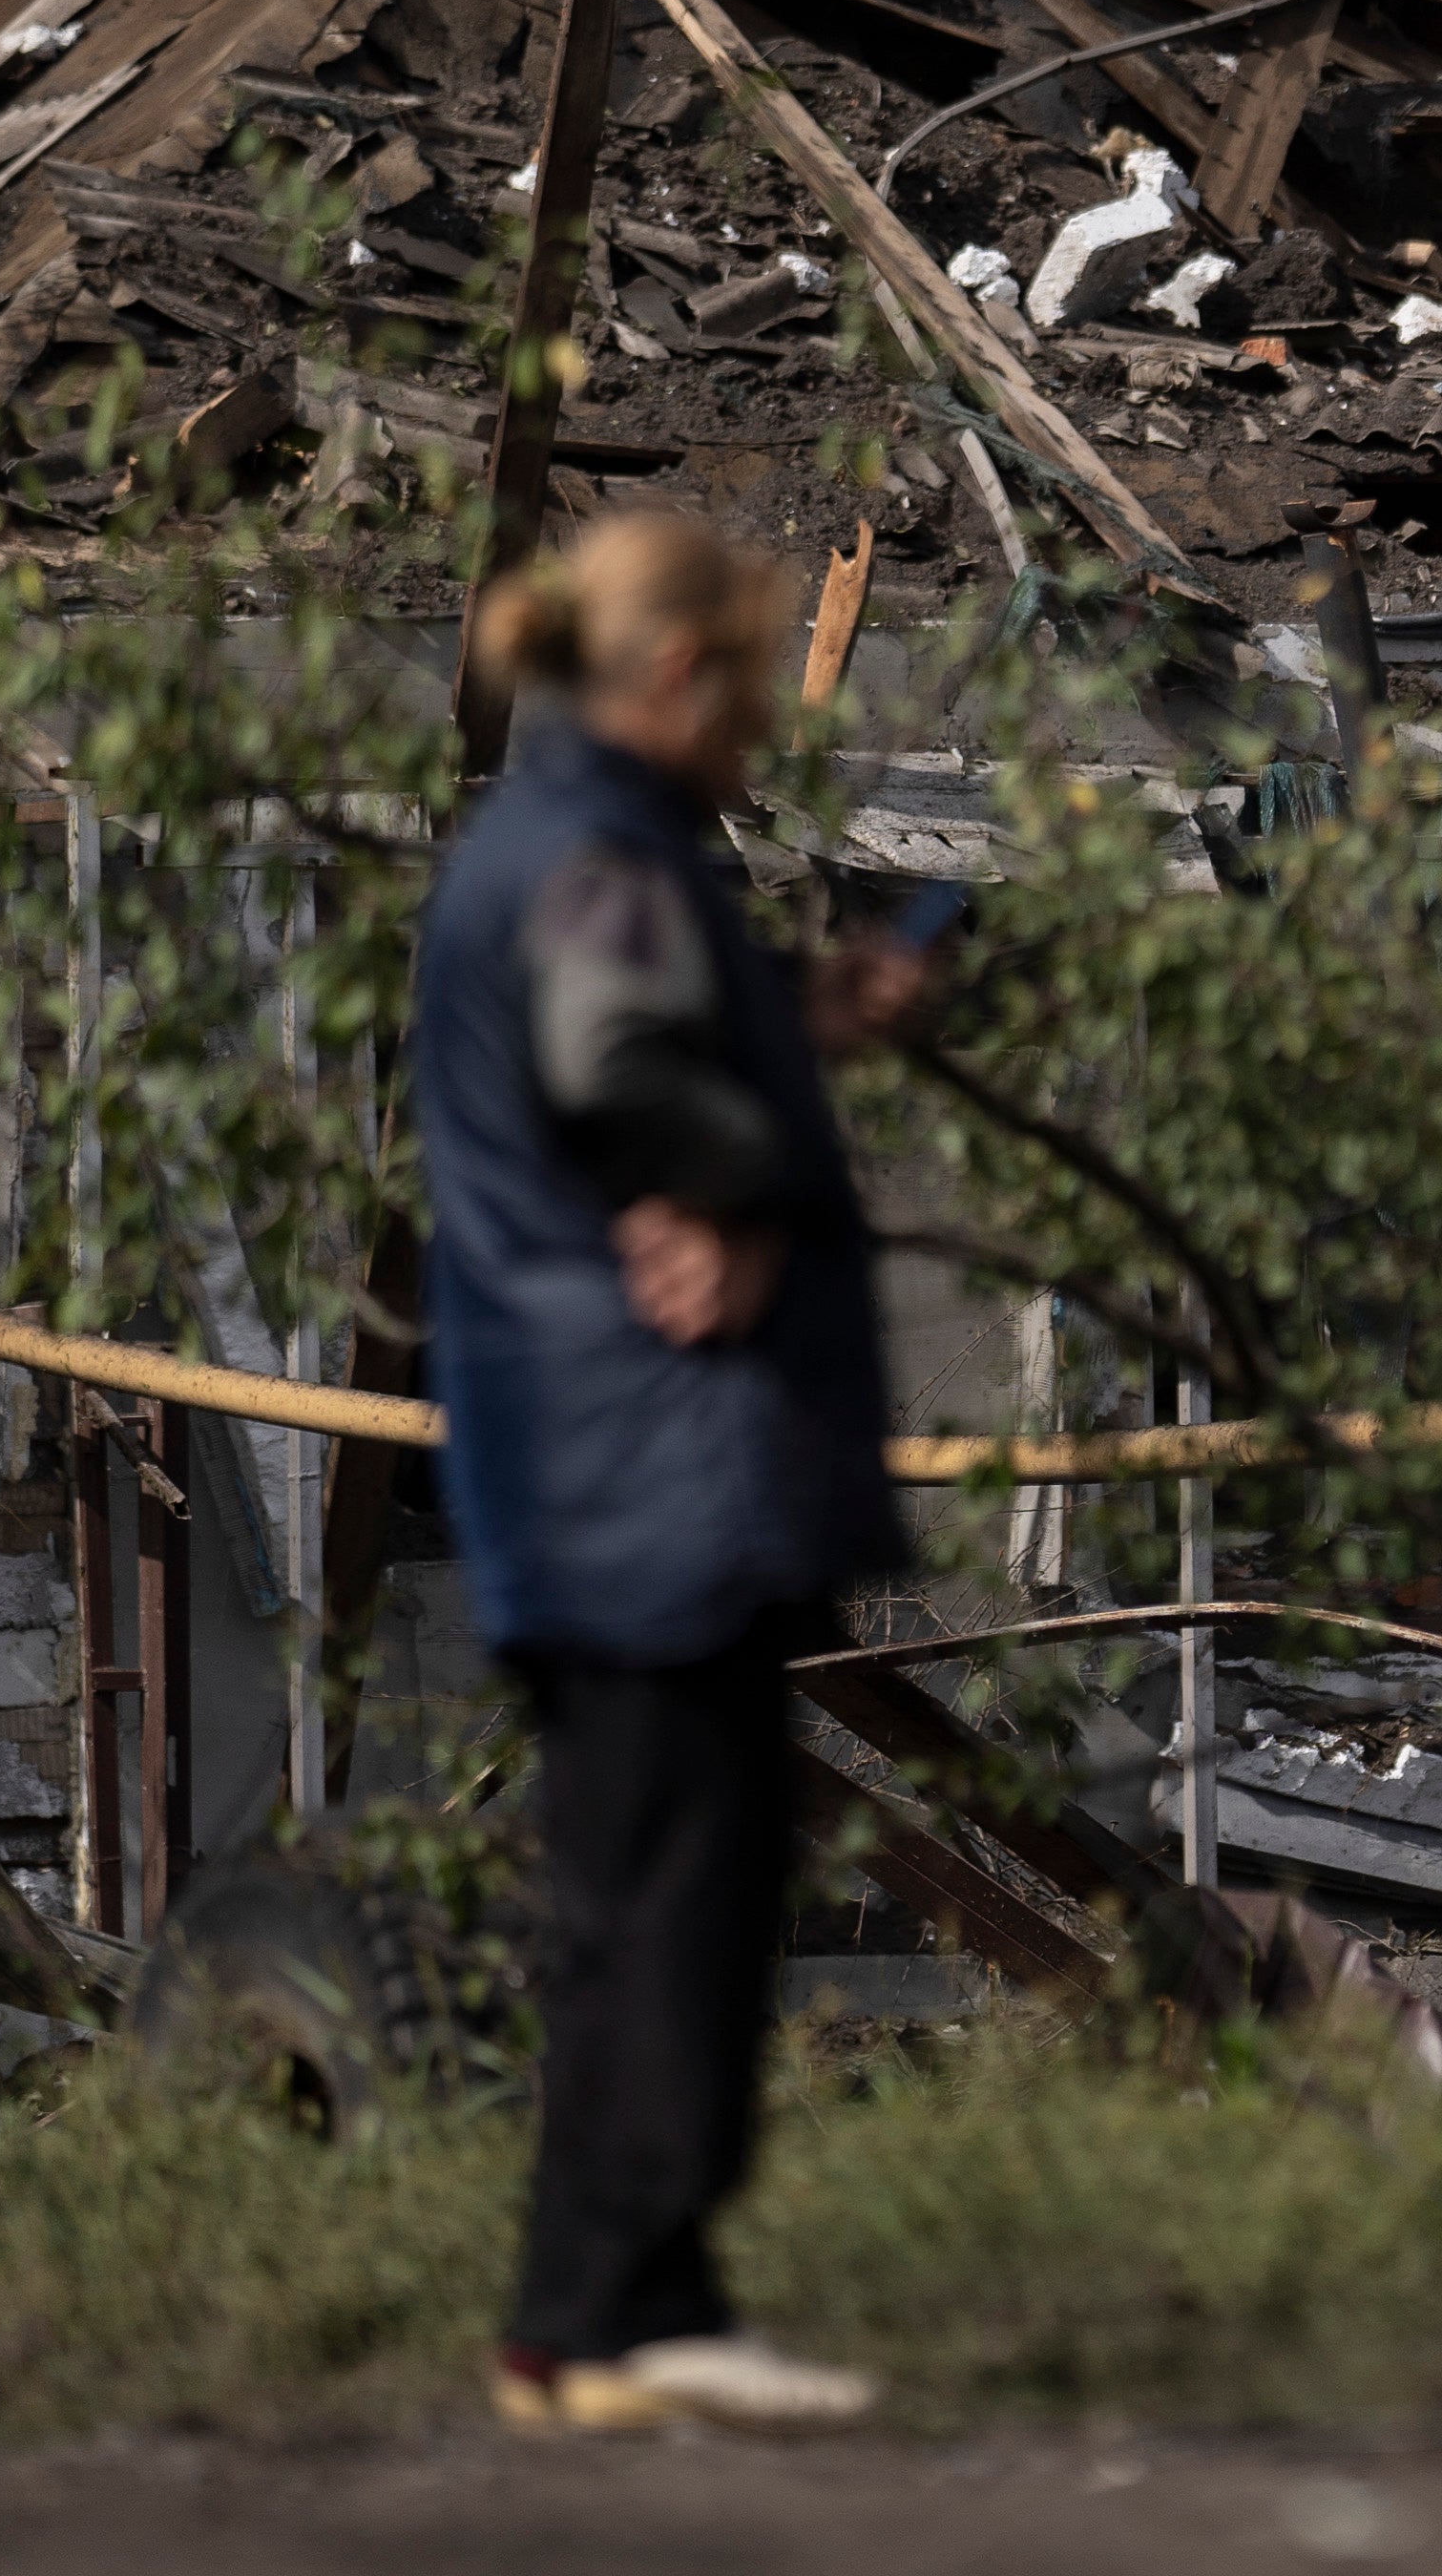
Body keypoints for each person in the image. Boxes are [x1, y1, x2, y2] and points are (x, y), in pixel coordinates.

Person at [419, 513, 938, 2439]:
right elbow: (620, 1065)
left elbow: (635, 1032)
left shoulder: (567, 841)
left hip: (594, 1457)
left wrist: (797, 1024)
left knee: (652, 1883)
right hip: (646, 1455)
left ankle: (606, 2310)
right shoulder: (594, 852)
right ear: (670, 675)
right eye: (743, 694)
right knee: (677, 1892)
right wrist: (731, 1188)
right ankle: (617, 2310)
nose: (757, 741)